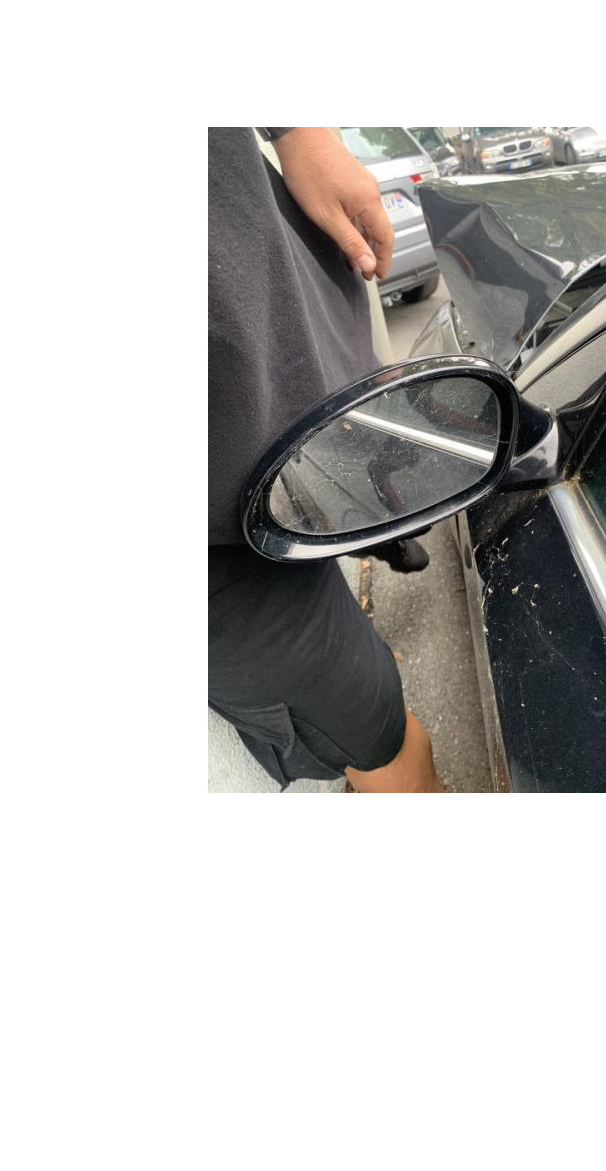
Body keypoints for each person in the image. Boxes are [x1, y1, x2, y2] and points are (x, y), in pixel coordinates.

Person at [208, 127, 444, 792]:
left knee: (352, 461)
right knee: (386, 736)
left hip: (283, 369)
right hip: (219, 552)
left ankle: (372, 534)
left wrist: (299, 130)